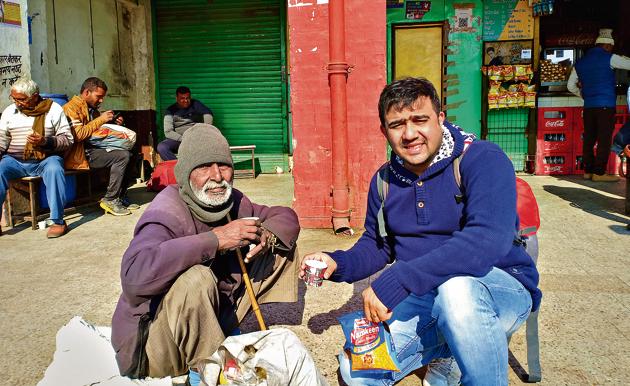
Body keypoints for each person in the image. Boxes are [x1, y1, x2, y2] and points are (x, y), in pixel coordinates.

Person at [299, 77, 542, 385]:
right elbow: (378, 244)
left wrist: (400, 279)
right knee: (358, 372)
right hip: (426, 294)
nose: (410, 134)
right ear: (384, 131)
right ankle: (447, 351)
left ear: (440, 119)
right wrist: (337, 263)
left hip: (496, 286)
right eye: (397, 124)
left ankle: (457, 356)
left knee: (457, 293)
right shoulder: (385, 181)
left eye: (420, 120)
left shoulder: (482, 159)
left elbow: (486, 241)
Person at [111, 124, 300, 385]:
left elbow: (284, 216)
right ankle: (212, 372)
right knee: (196, 279)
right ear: (186, 173)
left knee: (280, 244)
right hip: (156, 347)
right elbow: (134, 279)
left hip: (203, 319)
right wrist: (216, 240)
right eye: (203, 167)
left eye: (223, 165)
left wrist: (267, 236)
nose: (216, 176)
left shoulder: (233, 202)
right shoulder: (166, 211)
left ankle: (222, 331)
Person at [0, 78, 73, 238]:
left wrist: (45, 141)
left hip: (45, 160)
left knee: (55, 168)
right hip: (15, 161)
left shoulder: (53, 110)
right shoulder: (9, 111)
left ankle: (58, 221)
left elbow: (67, 140)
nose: (17, 103)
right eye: (14, 98)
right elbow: (2, 139)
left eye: (21, 99)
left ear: (34, 96)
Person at [63, 77, 139, 216]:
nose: (101, 100)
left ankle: (120, 197)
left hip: (94, 149)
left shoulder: (91, 109)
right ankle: (110, 199)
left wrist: (114, 123)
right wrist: (101, 119)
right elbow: (78, 135)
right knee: (122, 156)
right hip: (81, 155)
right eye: (99, 96)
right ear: (87, 92)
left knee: (131, 151)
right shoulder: (70, 108)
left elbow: (98, 132)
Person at [568, 28, 630, 182]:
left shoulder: (581, 63)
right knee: (604, 139)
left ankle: (587, 171)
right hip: (605, 106)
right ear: (608, 45)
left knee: (589, 138)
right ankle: (599, 172)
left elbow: (570, 86)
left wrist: (582, 94)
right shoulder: (609, 58)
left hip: (589, 107)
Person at [157, 86, 214, 161]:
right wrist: (183, 139)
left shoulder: (196, 104)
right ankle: (177, 166)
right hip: (179, 139)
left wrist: (205, 130)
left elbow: (208, 114)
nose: (186, 100)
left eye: (188, 98)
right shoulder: (170, 110)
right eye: (182, 98)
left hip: (195, 138)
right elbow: (168, 132)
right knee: (162, 147)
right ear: (176, 98)